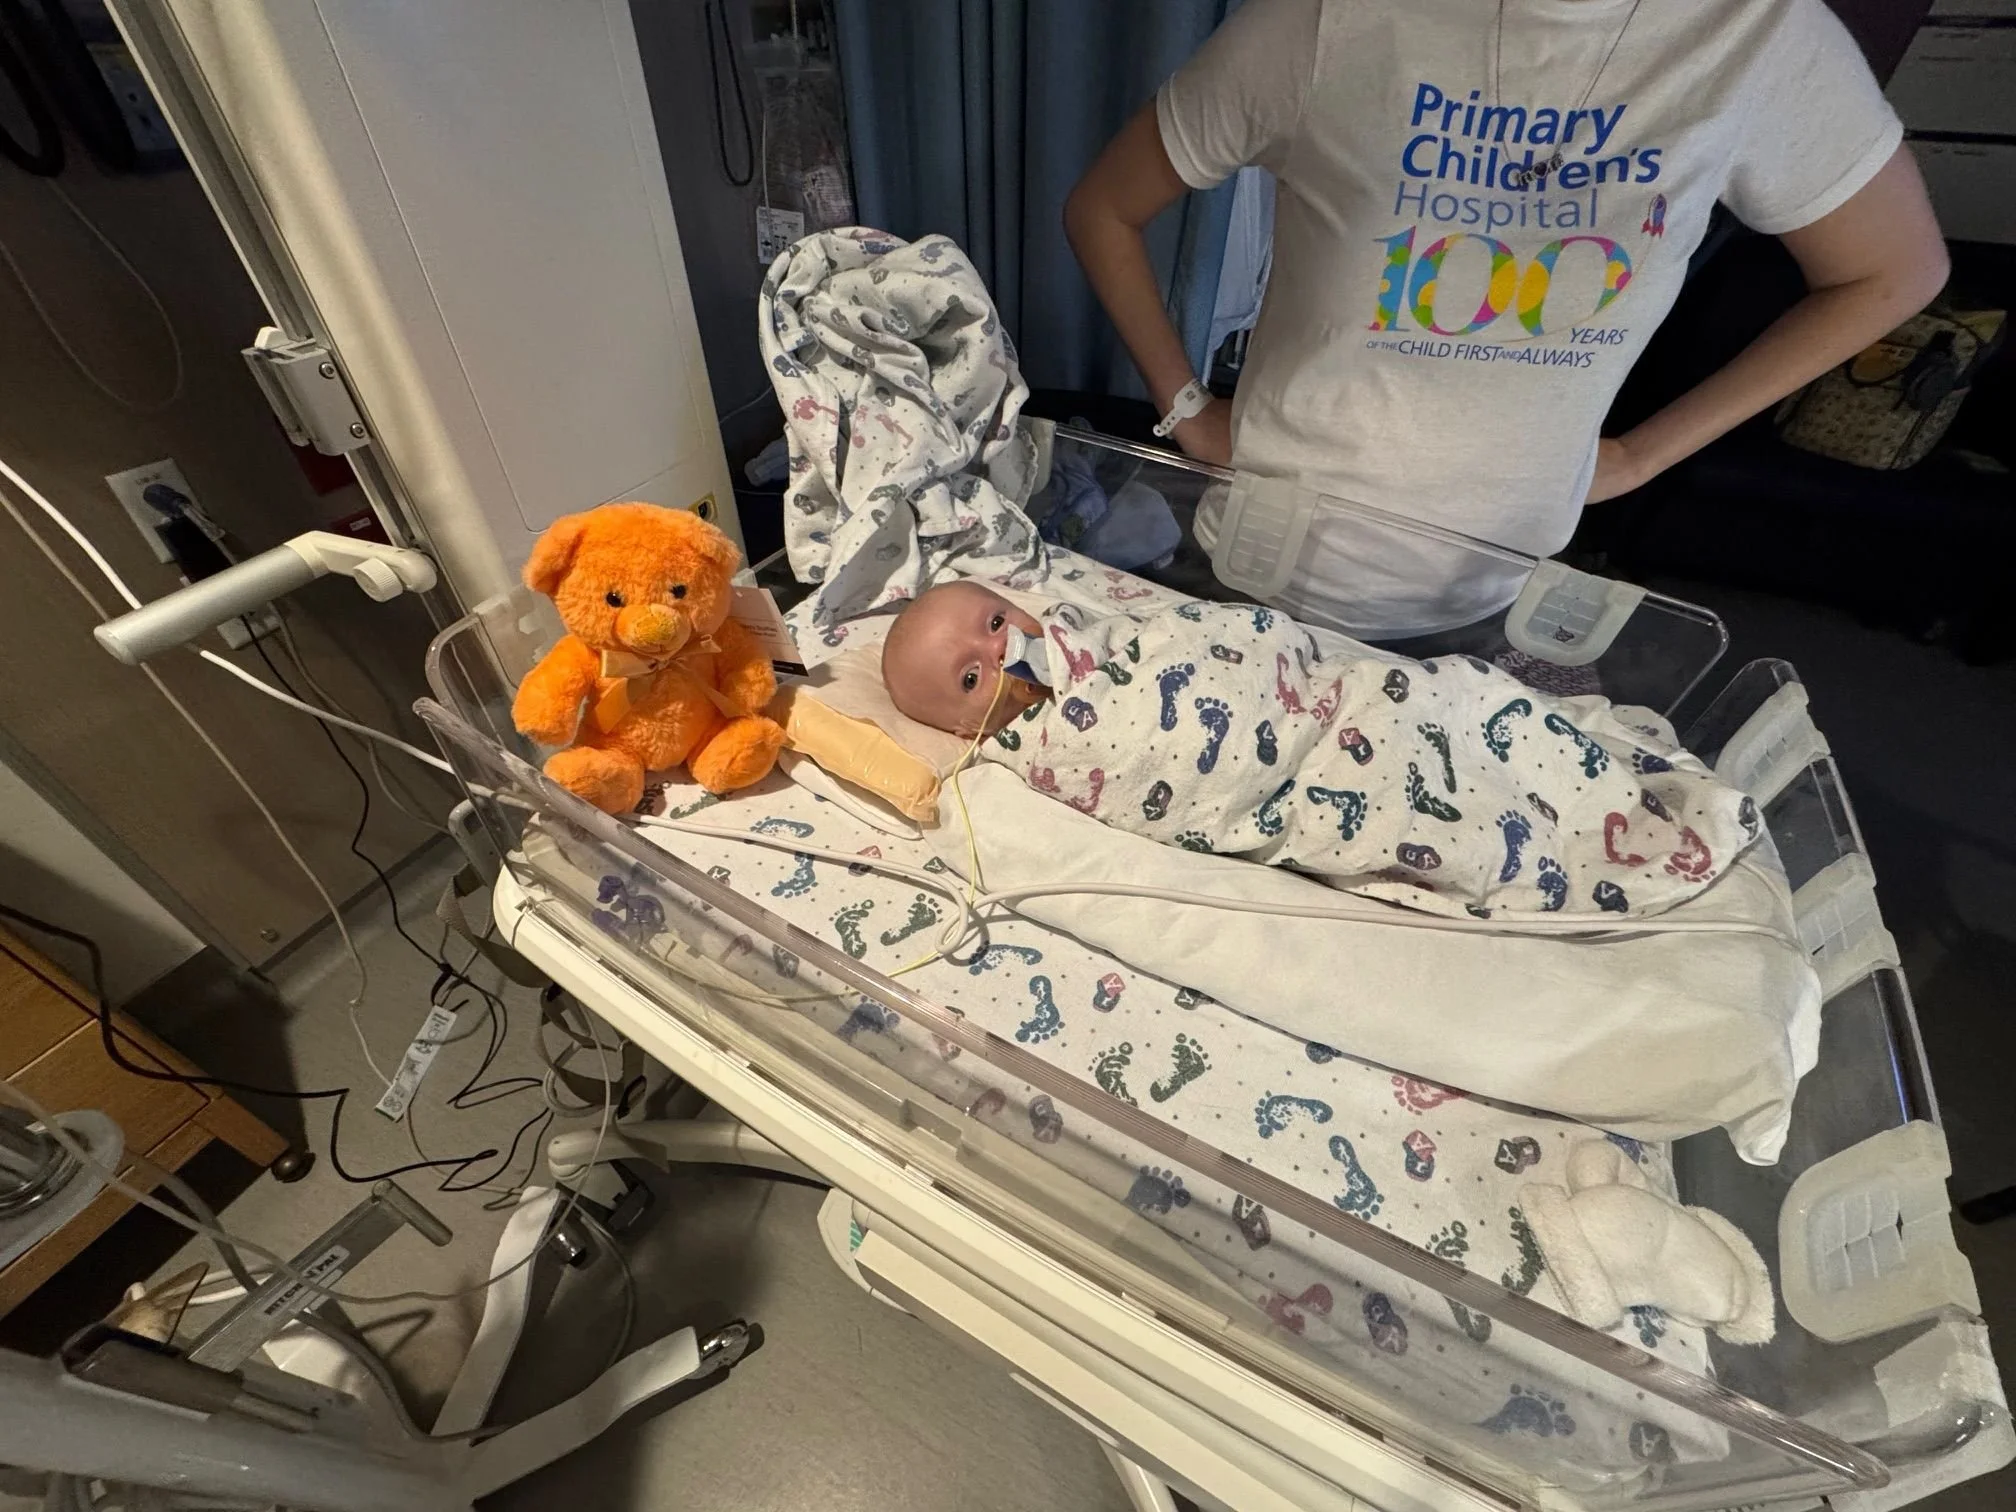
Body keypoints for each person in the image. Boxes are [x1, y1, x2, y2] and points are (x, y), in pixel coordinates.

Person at [1064, 0, 1948, 640]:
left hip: (1487, 594)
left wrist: (1644, 454)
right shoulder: (1328, 22)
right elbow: (1104, 207)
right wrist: (1182, 406)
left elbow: (1894, 270)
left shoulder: (1760, 38)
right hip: (1253, 567)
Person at [879, 579, 1762, 919]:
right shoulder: (1041, 748)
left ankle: (1612, 797)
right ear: (964, 729)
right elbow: (1159, 760)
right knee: (1434, 804)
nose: (999, 652)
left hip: (1351, 701)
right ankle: (1594, 849)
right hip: (1314, 770)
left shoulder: (1094, 627)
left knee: (1452, 688)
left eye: (993, 622)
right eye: (969, 679)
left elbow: (1212, 636)